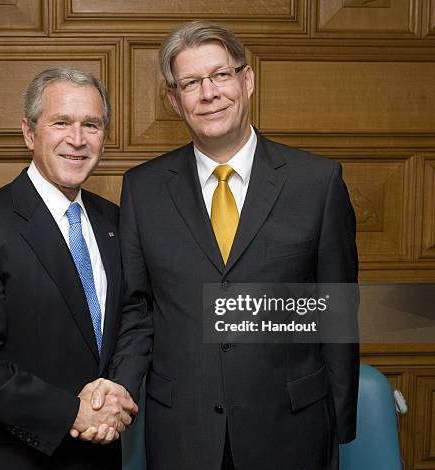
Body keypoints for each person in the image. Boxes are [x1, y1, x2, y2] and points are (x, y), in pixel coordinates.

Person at [89, 21, 359, 470]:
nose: (209, 92)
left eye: (220, 75)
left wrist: (338, 425)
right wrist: (119, 385)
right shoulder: (143, 188)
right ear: (175, 100)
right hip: (183, 432)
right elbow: (138, 309)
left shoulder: (318, 182)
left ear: (247, 80)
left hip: (293, 429)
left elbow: (335, 314)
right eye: (191, 83)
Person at [0, 67, 137, 470]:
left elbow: (134, 316)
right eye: (61, 122)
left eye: (91, 125)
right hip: (12, 458)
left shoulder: (116, 223)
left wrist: (118, 390)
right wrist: (71, 412)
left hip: (100, 456)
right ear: (29, 132)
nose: (77, 140)